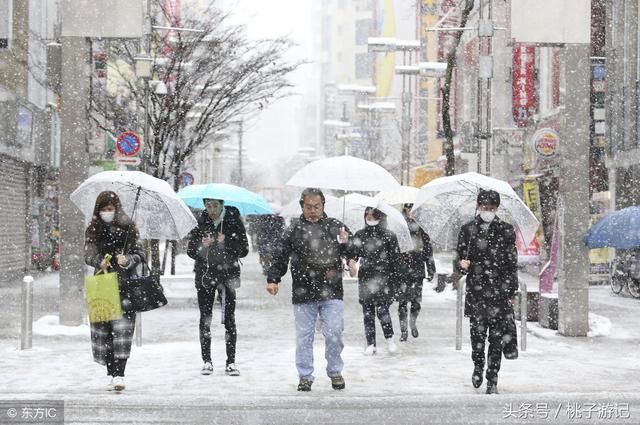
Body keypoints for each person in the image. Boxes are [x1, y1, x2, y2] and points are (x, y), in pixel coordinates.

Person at [265, 188, 353, 392]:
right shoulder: (294, 230)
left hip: (332, 290)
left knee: (334, 333)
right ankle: (305, 376)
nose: (313, 210)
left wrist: (348, 246)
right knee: (304, 337)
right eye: (308, 207)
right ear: (302, 206)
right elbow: (280, 256)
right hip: (303, 291)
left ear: (323, 206)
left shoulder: (335, 227)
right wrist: (273, 279)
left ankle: (335, 371)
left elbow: (351, 250)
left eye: (317, 206)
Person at [455, 189, 518, 395]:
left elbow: (511, 263)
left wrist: (511, 291)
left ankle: (493, 377)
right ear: (478, 207)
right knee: (477, 337)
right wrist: (461, 264)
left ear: (497, 208)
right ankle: (477, 366)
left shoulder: (506, 230)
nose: (487, 211)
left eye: (491, 208)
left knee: (497, 339)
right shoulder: (468, 229)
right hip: (477, 291)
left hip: (499, 293)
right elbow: (459, 258)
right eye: (484, 207)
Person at [84, 191, 144, 392]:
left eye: (110, 209)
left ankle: (120, 374)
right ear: (98, 210)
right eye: (103, 209)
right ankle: (111, 372)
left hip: (125, 285)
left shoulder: (129, 228)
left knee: (123, 331)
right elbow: (88, 253)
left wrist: (127, 260)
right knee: (105, 332)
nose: (107, 213)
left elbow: (140, 254)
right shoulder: (93, 229)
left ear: (116, 208)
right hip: (102, 283)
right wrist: (98, 261)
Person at [187, 199, 249, 377]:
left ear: (221, 205)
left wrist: (227, 242)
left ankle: (231, 362)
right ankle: (207, 360)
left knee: (229, 318)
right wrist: (202, 246)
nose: (212, 210)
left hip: (228, 275)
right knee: (205, 317)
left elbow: (244, 249)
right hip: (206, 276)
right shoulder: (201, 221)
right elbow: (191, 250)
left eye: (215, 206)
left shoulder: (233, 220)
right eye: (208, 206)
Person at [348, 207, 402, 355]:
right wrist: (350, 258)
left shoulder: (389, 236)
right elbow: (353, 254)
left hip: (385, 277)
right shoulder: (360, 235)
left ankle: (389, 338)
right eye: (367, 214)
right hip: (366, 277)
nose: (369, 217)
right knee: (367, 311)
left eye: (373, 214)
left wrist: (397, 282)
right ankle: (371, 343)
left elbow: (396, 260)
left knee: (383, 309)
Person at [397, 203, 436, 342]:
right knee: (402, 302)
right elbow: (394, 249)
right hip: (402, 270)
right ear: (405, 210)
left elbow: (428, 251)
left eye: (413, 210)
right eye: (408, 209)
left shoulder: (422, 228)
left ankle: (412, 323)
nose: (410, 212)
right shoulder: (400, 227)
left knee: (416, 302)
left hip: (417, 270)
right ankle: (403, 330)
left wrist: (431, 269)